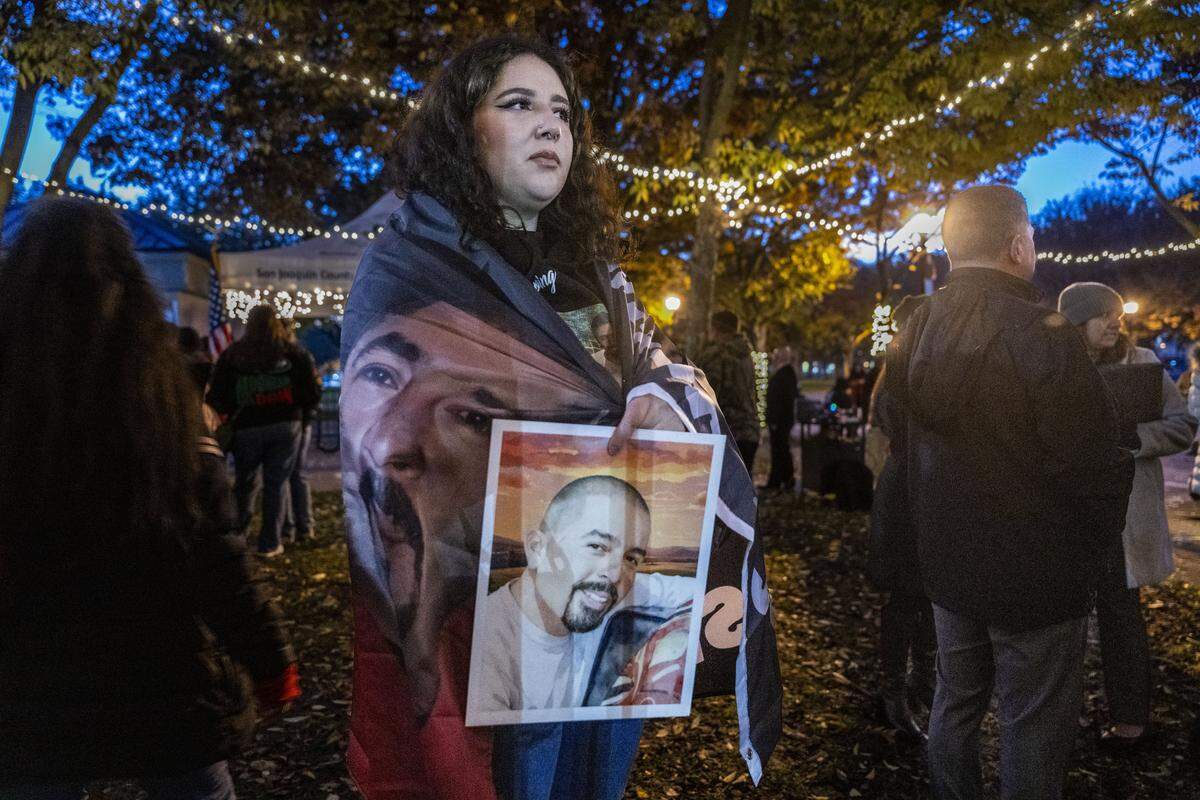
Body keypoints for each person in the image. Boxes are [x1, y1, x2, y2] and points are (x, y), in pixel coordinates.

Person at [340, 34, 779, 800]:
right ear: (463, 129)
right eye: (517, 105)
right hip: (482, 624)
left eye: (562, 113)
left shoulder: (592, 270)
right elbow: (385, 447)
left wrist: (660, 399)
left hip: (613, 618)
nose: (550, 127)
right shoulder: (407, 268)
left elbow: (671, 373)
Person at [0, 198, 299, 800]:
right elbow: (213, 549)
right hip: (157, 672)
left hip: (27, 679)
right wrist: (270, 662)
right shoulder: (159, 404)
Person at [885, 185, 1134, 800]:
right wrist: (1088, 551)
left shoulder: (913, 332)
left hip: (947, 559)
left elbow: (900, 441)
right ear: (1018, 245)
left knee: (955, 701)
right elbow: (1086, 461)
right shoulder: (1044, 333)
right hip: (1037, 569)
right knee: (1034, 723)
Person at [1057, 282, 1196, 750]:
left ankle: (1131, 720)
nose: (1115, 323)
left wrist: (1136, 439)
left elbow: (1182, 427)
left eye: (1118, 315)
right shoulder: (1059, 368)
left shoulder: (1144, 367)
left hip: (1123, 519)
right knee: (1062, 626)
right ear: (1078, 323)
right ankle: (1059, 719)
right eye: (1103, 316)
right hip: (1069, 518)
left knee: (1121, 619)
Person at [469, 475, 694, 714]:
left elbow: (697, 593)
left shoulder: (597, 596)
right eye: (597, 547)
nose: (616, 574)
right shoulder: (481, 648)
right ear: (537, 549)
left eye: (631, 559)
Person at [866, 295, 934, 743]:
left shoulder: (906, 370)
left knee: (926, 595)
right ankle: (895, 691)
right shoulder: (905, 374)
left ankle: (920, 683)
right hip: (910, 492)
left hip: (920, 489)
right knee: (908, 595)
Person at [207, 305, 322, 557]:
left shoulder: (233, 354)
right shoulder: (293, 354)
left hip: (247, 428)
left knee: (245, 483)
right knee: (276, 484)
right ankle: (270, 542)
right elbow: (312, 391)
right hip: (285, 426)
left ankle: (239, 535)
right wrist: (301, 415)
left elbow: (217, 393)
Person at [692, 310, 762, 473]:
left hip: (726, 432)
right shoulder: (747, 353)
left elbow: (705, 392)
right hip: (749, 430)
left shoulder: (716, 354)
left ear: (714, 329)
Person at [764, 346, 798, 491]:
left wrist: (774, 419)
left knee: (779, 449)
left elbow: (781, 399)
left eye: (776, 355)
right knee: (781, 449)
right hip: (782, 419)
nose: (774, 357)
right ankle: (783, 478)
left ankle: (781, 480)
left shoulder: (784, 375)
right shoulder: (786, 374)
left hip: (780, 420)